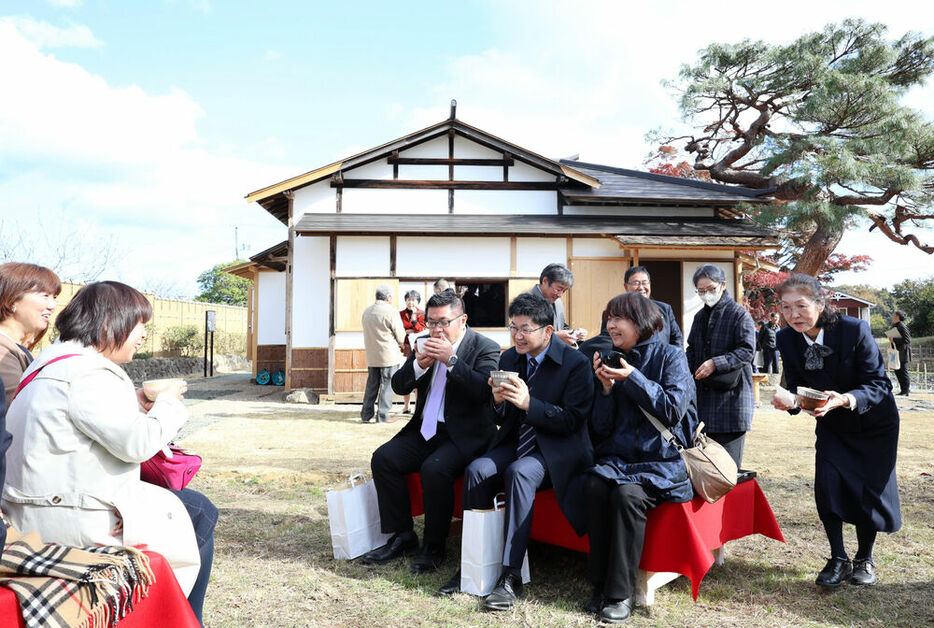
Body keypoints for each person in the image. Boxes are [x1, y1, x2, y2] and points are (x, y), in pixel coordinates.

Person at [1, 281, 217, 625]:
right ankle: (183, 617)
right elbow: (137, 444)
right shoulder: (88, 373)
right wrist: (168, 403)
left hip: (32, 507)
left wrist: (136, 399)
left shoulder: (51, 363)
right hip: (70, 520)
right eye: (139, 325)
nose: (143, 336)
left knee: (191, 508)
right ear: (108, 324)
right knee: (200, 511)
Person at [449, 293, 594, 608]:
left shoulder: (576, 364)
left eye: (525, 328)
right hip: (518, 441)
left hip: (558, 448)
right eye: (513, 327)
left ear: (548, 331)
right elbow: (500, 417)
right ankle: (473, 563)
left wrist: (530, 404)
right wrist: (499, 402)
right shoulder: (510, 358)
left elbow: (573, 420)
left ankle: (510, 574)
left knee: (519, 472)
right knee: (477, 469)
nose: (517, 335)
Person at [771, 274, 900, 589]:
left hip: (872, 423)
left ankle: (864, 559)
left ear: (820, 303)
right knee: (828, 486)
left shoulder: (853, 330)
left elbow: (878, 384)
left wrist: (844, 399)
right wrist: (790, 402)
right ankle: (838, 558)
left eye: (801, 306)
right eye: (786, 308)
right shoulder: (786, 338)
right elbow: (801, 385)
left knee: (866, 492)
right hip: (832, 424)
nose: (793, 315)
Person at [364, 290, 500, 573]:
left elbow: (482, 393)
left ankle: (434, 547)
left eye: (444, 322)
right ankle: (403, 535)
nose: (437, 329)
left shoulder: (484, 346)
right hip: (426, 429)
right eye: (432, 322)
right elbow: (399, 386)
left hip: (466, 433)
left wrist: (452, 361)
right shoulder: (423, 343)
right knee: (384, 458)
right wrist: (417, 365)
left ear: (462, 320)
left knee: (434, 469)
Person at [583, 292, 698, 623]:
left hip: (661, 461)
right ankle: (599, 584)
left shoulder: (672, 357)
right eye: (609, 318)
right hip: (620, 459)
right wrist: (604, 390)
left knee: (626, 495)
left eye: (620, 318)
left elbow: (673, 410)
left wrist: (632, 378)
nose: (611, 325)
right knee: (593, 485)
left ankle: (620, 594)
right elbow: (601, 428)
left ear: (643, 323)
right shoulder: (610, 358)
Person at [685, 264, 755, 468]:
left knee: (728, 469)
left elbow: (747, 351)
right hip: (703, 400)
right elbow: (692, 349)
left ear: (723, 285)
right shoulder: (699, 317)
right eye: (701, 291)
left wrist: (716, 363)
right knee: (705, 468)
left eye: (711, 289)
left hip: (732, 401)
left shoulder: (739, 314)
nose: (706, 294)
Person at [0, 262, 61, 405]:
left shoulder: (15, 348)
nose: (52, 306)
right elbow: (17, 407)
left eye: (54, 297)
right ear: (12, 299)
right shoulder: (3, 350)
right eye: (45, 296)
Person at [360, 284, 405, 423]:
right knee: (387, 385)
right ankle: (383, 416)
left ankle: (366, 415)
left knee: (372, 385)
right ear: (388, 297)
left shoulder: (367, 312)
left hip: (372, 355)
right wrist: (404, 346)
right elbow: (400, 335)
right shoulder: (391, 312)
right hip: (388, 355)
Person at [619, 265, 684, 347]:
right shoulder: (616, 312)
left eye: (644, 282)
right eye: (636, 283)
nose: (641, 287)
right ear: (626, 286)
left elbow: (676, 339)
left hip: (662, 358)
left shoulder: (664, 309)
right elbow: (607, 341)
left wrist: (676, 358)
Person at [524, 263, 585, 347]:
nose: (560, 295)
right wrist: (556, 336)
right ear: (545, 281)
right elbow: (525, 335)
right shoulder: (525, 301)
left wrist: (573, 333)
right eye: (558, 289)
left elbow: (561, 326)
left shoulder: (558, 302)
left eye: (564, 291)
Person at [400, 290, 427, 413]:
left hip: (419, 349)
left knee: (419, 378)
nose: (410, 302)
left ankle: (417, 408)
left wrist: (414, 322)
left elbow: (422, 330)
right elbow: (399, 329)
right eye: (408, 299)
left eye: (413, 300)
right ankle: (406, 406)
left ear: (418, 301)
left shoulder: (422, 314)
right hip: (406, 348)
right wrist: (409, 330)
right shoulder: (400, 314)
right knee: (406, 377)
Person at [889, 310, 911, 397]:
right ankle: (903, 390)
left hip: (903, 352)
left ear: (897, 317)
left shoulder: (902, 326)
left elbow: (907, 340)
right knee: (897, 370)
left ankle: (906, 391)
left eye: (894, 315)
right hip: (896, 352)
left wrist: (894, 339)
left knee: (903, 371)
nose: (892, 317)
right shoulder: (895, 325)